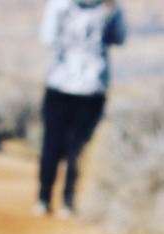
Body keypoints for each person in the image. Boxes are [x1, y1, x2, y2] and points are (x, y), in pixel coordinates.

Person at [36, 0, 127, 216]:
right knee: (78, 146)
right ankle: (66, 201)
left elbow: (47, 37)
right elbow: (120, 38)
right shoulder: (110, 6)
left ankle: (44, 199)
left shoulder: (60, 5)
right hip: (90, 86)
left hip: (62, 83)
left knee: (54, 143)